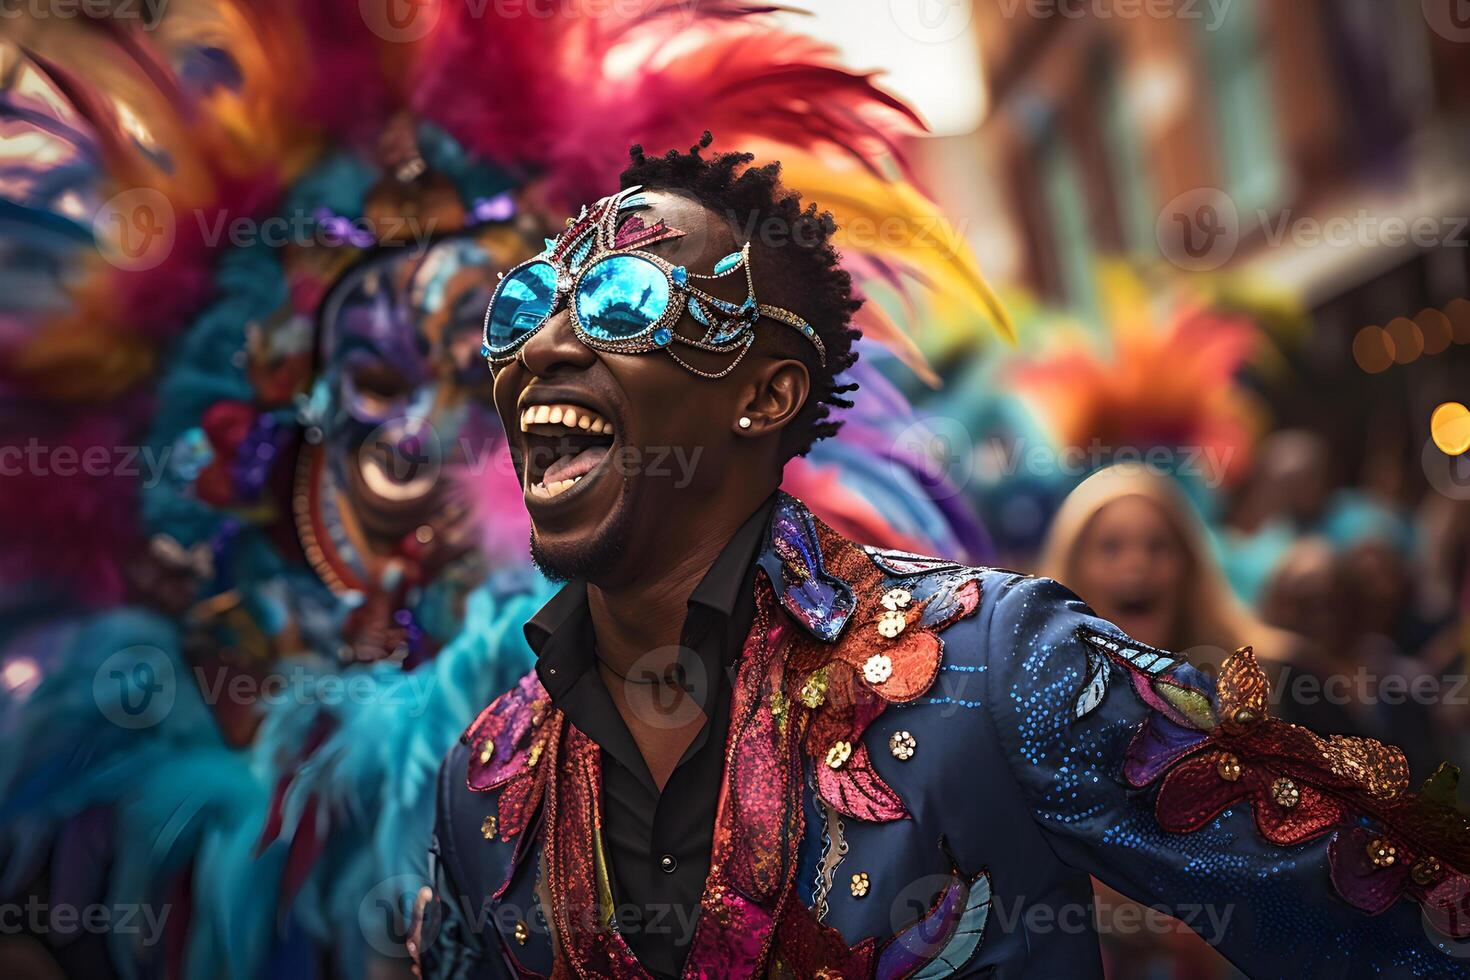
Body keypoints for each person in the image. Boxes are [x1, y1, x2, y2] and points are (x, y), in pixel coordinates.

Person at [418, 143, 1469, 978]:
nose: (543, 345)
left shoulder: (998, 662)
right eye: (526, 305)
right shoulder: (485, 775)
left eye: (618, 301)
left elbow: (1404, 919)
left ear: (764, 394)